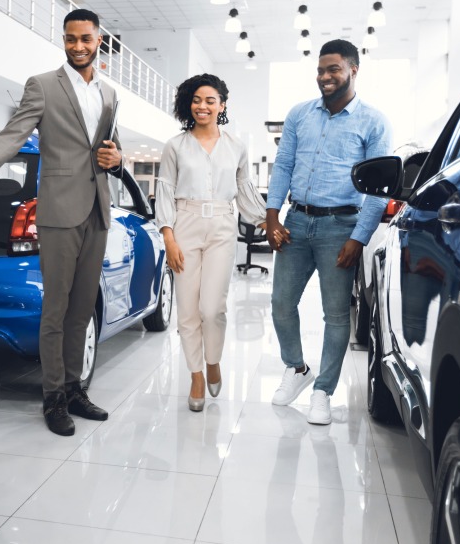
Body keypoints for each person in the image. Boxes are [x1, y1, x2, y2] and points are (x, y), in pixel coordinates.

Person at [0, 8, 123, 436]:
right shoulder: (42, 86)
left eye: (86, 39)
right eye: (71, 39)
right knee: (55, 310)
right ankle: (53, 397)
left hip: (98, 210)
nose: (78, 46)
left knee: (80, 311)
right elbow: (12, 135)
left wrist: (119, 159)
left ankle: (75, 388)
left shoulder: (109, 94)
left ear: (98, 41)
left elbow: (111, 148)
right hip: (58, 212)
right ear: (64, 40)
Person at [266, 39, 391, 425]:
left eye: (333, 69)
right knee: (281, 303)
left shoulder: (373, 121)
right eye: (321, 70)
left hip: (341, 226)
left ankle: (322, 390)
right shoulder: (300, 114)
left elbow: (377, 187)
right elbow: (284, 164)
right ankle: (297, 368)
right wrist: (273, 216)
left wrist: (359, 237)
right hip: (297, 221)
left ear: (353, 69)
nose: (324, 77)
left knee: (336, 315)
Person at [154, 74, 268, 412]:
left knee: (212, 308)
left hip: (221, 224)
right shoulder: (175, 145)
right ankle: (196, 375)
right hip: (184, 223)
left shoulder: (236, 146)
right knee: (188, 310)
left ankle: (214, 360)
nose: (202, 106)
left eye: (210, 100)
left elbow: (245, 192)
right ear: (189, 103)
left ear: (222, 105)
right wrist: (168, 237)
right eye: (196, 100)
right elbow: (164, 192)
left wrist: (267, 223)